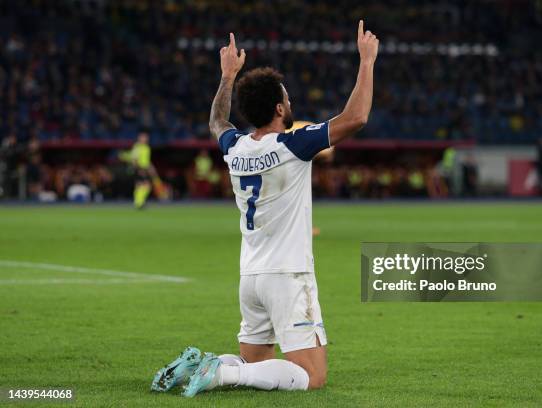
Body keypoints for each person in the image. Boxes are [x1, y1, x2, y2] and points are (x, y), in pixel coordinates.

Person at [152, 21, 378, 396]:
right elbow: (355, 119)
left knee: (258, 364)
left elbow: (216, 121)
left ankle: (202, 363)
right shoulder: (293, 145)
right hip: (288, 275)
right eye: (287, 99)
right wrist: (367, 62)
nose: (291, 103)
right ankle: (222, 374)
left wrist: (227, 76)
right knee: (311, 377)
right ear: (278, 107)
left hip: (251, 276)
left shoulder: (236, 148)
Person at [131, 132, 152, 209]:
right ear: (139, 138)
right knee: (144, 185)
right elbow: (134, 160)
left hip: (145, 169)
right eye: (143, 137)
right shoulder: (137, 147)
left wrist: (150, 168)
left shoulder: (146, 147)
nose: (145, 139)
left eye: (146, 137)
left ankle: (139, 202)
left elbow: (147, 160)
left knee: (142, 186)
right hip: (139, 169)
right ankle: (139, 202)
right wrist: (139, 169)